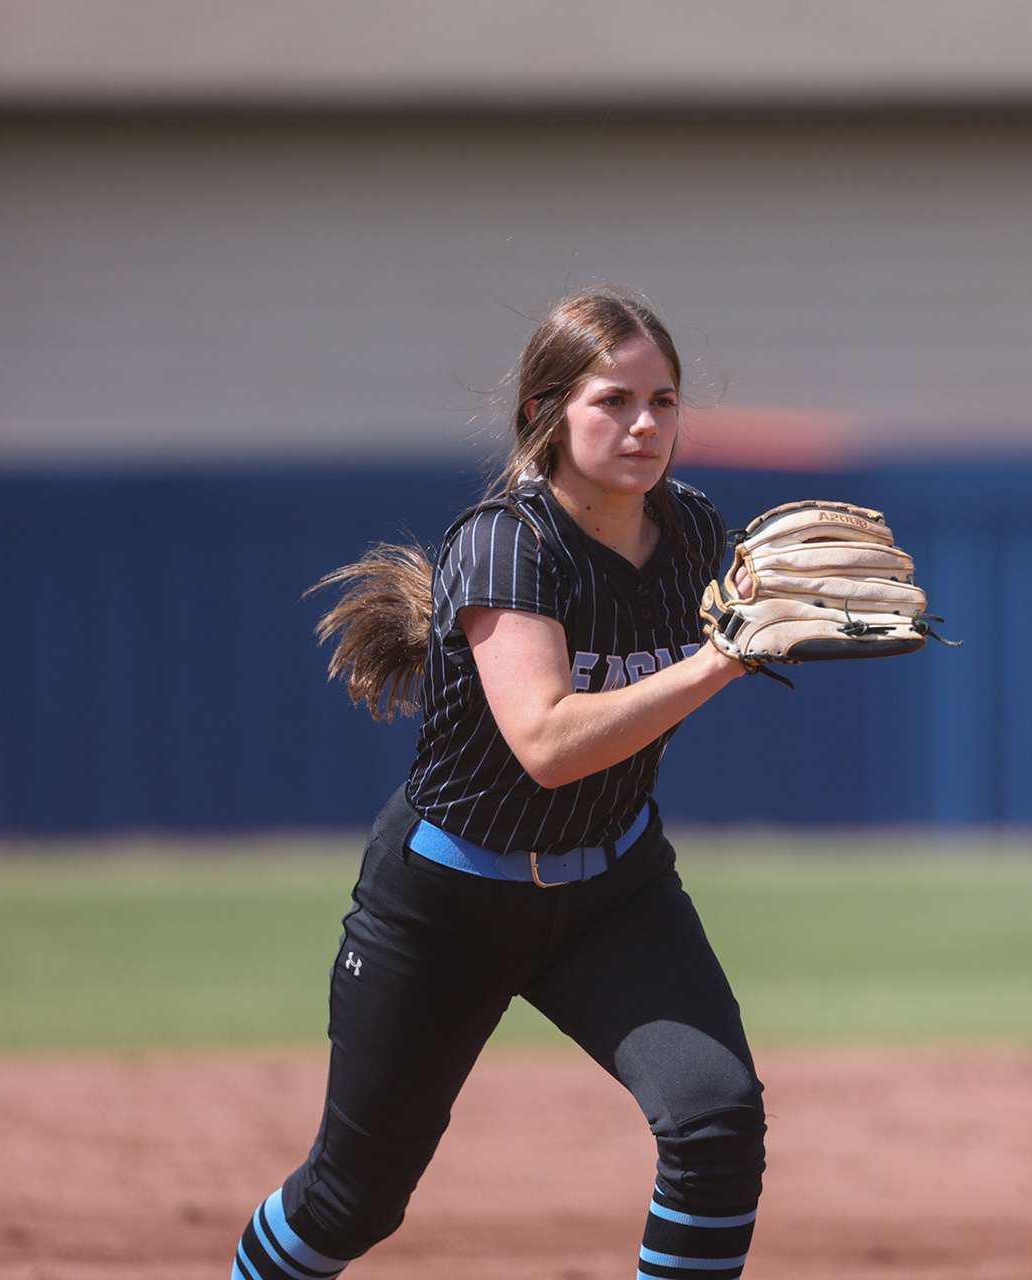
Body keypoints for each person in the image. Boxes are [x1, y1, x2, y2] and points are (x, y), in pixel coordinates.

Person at [232, 287, 766, 1280]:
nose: (645, 423)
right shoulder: (504, 541)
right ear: (543, 414)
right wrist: (723, 659)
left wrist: (778, 611)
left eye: (665, 399)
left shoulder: (692, 531)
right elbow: (549, 743)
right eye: (614, 399)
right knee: (352, 1201)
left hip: (613, 892)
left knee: (716, 1120)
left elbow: (745, 622)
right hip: (447, 904)